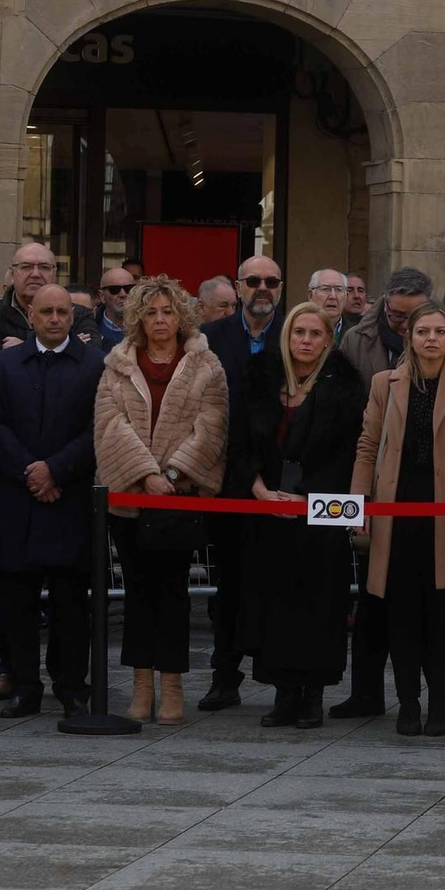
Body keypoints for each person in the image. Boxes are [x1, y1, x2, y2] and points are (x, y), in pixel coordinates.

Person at [351, 301, 445, 737]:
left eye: (440, 331)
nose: (431, 339)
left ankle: (440, 703)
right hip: (396, 511)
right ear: (409, 338)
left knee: (444, 615)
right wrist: (360, 506)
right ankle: (408, 702)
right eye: (422, 332)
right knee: (401, 614)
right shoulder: (384, 383)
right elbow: (367, 445)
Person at [93, 276, 229, 725]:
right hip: (130, 497)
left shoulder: (206, 364)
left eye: (167, 311)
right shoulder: (116, 364)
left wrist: (170, 473)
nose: (160, 320)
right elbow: (109, 425)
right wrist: (146, 473)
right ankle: (141, 686)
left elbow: (211, 427)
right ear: (137, 318)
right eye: (150, 312)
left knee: (173, 594)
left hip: (178, 498)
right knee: (137, 594)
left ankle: (172, 688)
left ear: (182, 316)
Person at [229, 301, 366, 730]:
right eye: (298, 333)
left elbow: (349, 453)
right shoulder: (261, 379)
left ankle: (312, 696)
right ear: (287, 336)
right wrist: (259, 489)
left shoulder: (345, 386)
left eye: (315, 334)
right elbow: (240, 442)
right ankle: (283, 693)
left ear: (329, 339)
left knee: (318, 604)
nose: (305, 341)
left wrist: (305, 499)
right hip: (267, 510)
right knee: (273, 602)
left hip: (319, 515)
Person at [0, 285, 104, 720]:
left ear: (73, 317)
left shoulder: (95, 364)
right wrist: (31, 472)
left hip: (69, 498)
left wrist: (56, 469)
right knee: (17, 600)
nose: (54, 319)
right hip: (18, 498)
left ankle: (72, 687)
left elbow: (98, 429)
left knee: (71, 602)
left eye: (62, 312)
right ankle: (24, 686)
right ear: (29, 315)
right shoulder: (6, 363)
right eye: (46, 311)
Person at [196, 254, 285, 712]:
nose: (263, 288)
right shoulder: (209, 339)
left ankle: (281, 682)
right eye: (254, 281)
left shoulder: (296, 335)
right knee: (227, 587)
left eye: (271, 280)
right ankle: (224, 677)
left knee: (279, 584)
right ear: (239, 286)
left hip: (281, 482)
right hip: (224, 482)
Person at [0, 240, 95, 383]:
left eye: (44, 267)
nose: (35, 274)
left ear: (54, 274)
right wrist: (63, 348)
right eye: (26, 267)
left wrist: (23, 347)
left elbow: (91, 365)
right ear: (12, 275)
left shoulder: (80, 315)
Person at [95, 266, 134, 351]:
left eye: (129, 289)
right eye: (114, 289)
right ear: (102, 296)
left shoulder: (147, 327)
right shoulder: (91, 328)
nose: (123, 294)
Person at [340, 274, 368, 340]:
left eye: (360, 291)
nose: (356, 296)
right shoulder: (333, 327)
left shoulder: (372, 326)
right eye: (349, 290)